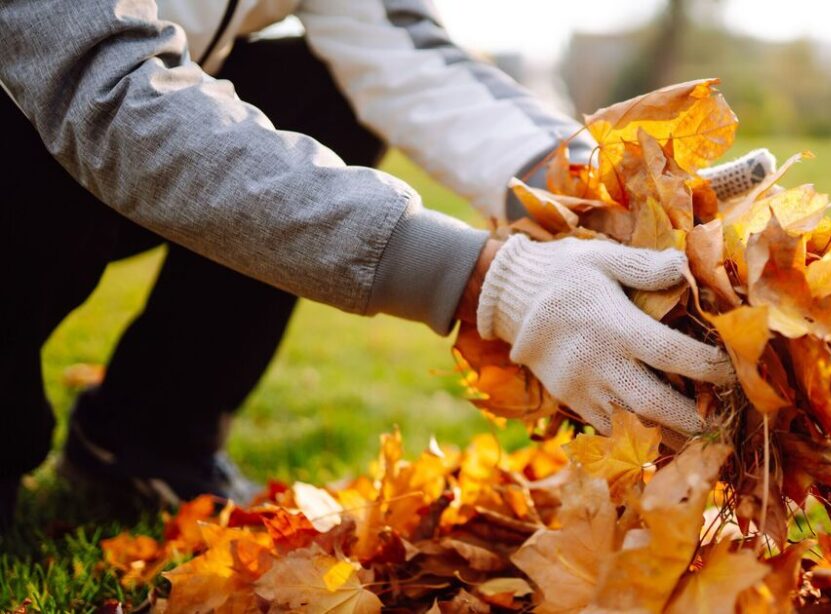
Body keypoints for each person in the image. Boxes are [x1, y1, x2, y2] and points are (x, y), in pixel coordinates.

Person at [0, 0, 774, 527]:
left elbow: (408, 59)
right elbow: (102, 90)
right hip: (43, 125)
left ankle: (146, 437)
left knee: (318, 83)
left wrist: (609, 188)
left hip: (110, 140)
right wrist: (488, 282)